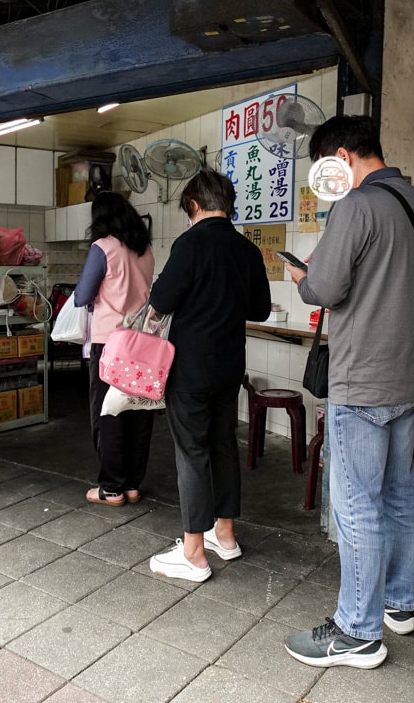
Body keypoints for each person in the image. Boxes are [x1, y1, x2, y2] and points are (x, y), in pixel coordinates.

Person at [281, 115, 414, 669]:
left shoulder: (355, 205)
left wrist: (302, 279)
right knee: (397, 495)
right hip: (409, 377)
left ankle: (356, 632)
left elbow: (324, 288)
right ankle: (399, 602)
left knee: (356, 507)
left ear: (342, 157)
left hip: (363, 379)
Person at [147, 170, 271, 582]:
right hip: (229, 367)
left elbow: (161, 300)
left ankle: (194, 553)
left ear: (195, 206)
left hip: (190, 369)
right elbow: (260, 309)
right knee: (223, 444)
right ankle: (225, 535)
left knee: (192, 451)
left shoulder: (190, 244)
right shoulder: (247, 249)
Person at [72, 192, 156, 507]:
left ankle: (111, 487)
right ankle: (132, 484)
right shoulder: (145, 250)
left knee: (109, 413)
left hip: (110, 343)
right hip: (143, 343)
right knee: (138, 412)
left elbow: (82, 295)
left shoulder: (103, 247)